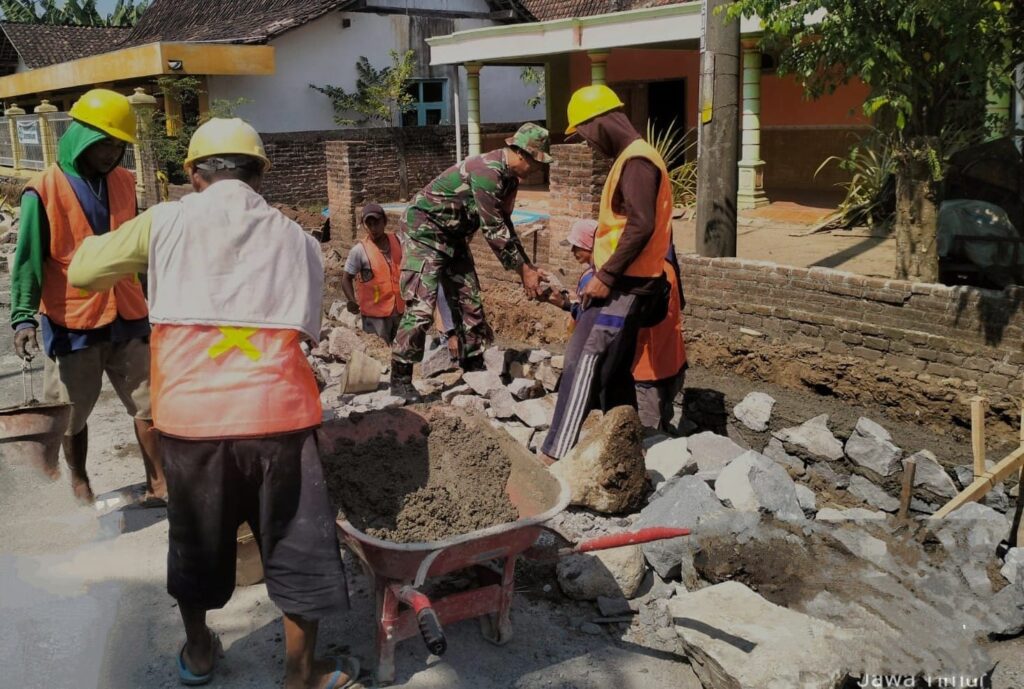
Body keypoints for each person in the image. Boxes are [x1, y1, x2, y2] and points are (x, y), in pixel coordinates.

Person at [68, 118, 356, 689]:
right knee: (296, 543)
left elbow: (82, 271)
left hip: (190, 421)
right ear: (259, 175)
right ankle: (301, 675)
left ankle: (200, 653)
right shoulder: (298, 240)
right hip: (281, 419)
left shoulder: (165, 222)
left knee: (196, 541)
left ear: (195, 175)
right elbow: (307, 327)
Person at [9, 88, 165, 505]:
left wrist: (154, 300)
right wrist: (23, 316)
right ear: (80, 137)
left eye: (119, 145)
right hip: (71, 317)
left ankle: (159, 481)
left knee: (149, 401)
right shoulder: (42, 189)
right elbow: (27, 258)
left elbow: (136, 243)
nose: (112, 153)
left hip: (128, 312)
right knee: (72, 410)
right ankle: (79, 480)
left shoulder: (124, 182)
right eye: (106, 143)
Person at [540, 85, 673, 464]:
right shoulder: (633, 159)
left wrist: (608, 275)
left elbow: (641, 225)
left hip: (624, 285)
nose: (587, 145)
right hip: (629, 281)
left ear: (596, 124)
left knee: (583, 360)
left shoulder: (637, 162)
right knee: (614, 373)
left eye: (582, 135)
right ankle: (625, 449)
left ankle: (555, 454)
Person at [390, 123, 551, 397]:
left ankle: (472, 363)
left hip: (454, 236)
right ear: (523, 154)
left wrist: (528, 267)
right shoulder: (488, 171)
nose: (538, 169)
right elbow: (493, 230)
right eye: (537, 162)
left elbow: (506, 225)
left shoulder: (510, 178)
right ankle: (401, 377)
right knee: (422, 305)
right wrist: (523, 272)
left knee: (469, 298)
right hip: (425, 232)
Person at [543, 219, 687, 433]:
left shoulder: (624, 278)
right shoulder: (664, 267)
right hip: (673, 364)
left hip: (645, 373)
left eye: (577, 245)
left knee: (644, 437)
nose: (573, 251)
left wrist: (566, 304)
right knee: (662, 435)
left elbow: (600, 326)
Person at [340, 203, 403, 343]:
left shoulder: (398, 241)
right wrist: (352, 300)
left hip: (399, 311)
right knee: (380, 355)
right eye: (369, 224)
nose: (373, 229)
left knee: (401, 353)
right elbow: (346, 279)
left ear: (385, 221)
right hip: (375, 316)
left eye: (377, 223)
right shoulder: (359, 251)